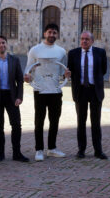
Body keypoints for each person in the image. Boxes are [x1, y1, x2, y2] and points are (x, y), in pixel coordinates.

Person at [24, 23, 70, 162]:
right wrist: (27, 78)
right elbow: (28, 70)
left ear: (57, 35)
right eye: (49, 32)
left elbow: (63, 72)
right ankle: (39, 149)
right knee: (39, 121)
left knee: (54, 121)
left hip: (56, 90)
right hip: (40, 90)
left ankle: (52, 148)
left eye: (54, 32)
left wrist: (67, 75)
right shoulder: (35, 50)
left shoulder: (61, 51)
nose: (52, 35)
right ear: (44, 34)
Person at [0, 35, 29, 163]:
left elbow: (20, 80)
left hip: (12, 96)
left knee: (16, 125)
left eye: (3, 42)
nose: (1, 45)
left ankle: (17, 153)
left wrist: (20, 97)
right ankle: (1, 153)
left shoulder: (15, 60)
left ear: (6, 44)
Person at [68, 31, 108, 160]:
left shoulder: (100, 53)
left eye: (86, 39)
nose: (84, 41)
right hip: (80, 91)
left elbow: (103, 70)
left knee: (96, 122)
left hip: (95, 90)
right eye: (82, 39)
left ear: (92, 41)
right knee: (81, 121)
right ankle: (81, 150)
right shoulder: (73, 53)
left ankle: (98, 150)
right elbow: (70, 71)